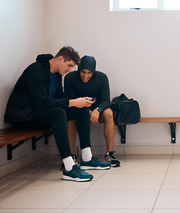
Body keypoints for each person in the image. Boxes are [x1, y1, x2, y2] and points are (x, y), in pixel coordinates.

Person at [4, 46, 110, 182]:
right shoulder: (35, 71)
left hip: (40, 112)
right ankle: (69, 167)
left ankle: (87, 158)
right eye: (69, 65)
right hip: (23, 116)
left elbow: (59, 98)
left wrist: (80, 102)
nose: (70, 70)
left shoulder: (57, 75)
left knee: (81, 108)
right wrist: (72, 102)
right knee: (59, 113)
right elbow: (41, 102)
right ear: (60, 59)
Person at [64, 55, 120, 167]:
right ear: (78, 70)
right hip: (78, 110)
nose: (85, 76)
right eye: (83, 72)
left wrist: (97, 110)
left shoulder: (102, 77)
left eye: (89, 73)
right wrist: (86, 111)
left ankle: (109, 154)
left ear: (93, 72)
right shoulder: (70, 78)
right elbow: (69, 100)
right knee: (70, 119)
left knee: (109, 113)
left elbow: (106, 101)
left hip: (97, 111)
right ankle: (72, 156)